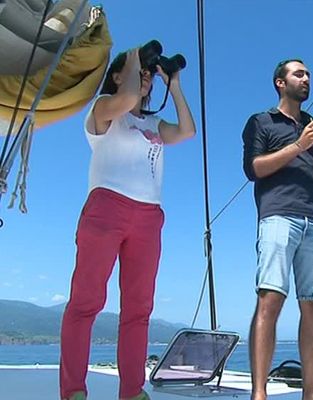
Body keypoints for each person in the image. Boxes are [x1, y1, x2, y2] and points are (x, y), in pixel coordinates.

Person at [59, 46, 196, 400]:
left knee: (138, 309)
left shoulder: (152, 123)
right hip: (107, 206)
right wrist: (135, 55)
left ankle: (131, 391)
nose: (147, 76)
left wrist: (174, 83)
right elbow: (129, 96)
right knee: (86, 301)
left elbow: (187, 131)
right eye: (141, 71)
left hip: (148, 217)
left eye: (150, 74)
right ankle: (73, 389)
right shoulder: (104, 109)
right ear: (120, 75)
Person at [242, 59, 313, 400]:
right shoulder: (261, 122)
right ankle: (259, 393)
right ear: (280, 83)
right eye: (299, 73)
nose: (307, 78)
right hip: (277, 216)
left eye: (309, 73)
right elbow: (254, 169)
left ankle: (312, 393)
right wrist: (298, 145)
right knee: (270, 300)